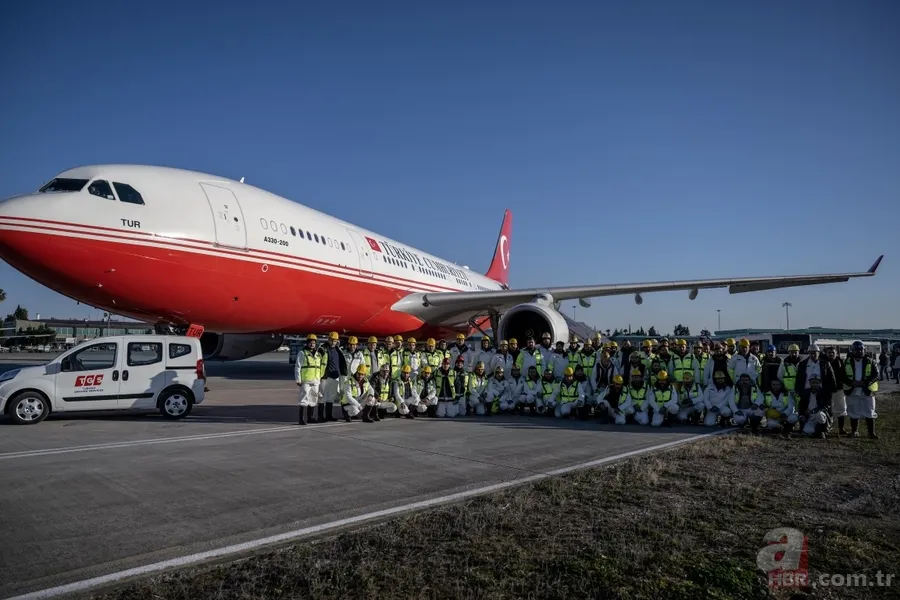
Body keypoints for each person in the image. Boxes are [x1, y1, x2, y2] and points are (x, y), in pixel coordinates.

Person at [843, 340, 879, 439]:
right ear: (852, 350)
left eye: (860, 349)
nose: (859, 352)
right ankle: (854, 431)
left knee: (869, 411)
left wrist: (866, 382)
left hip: (867, 390)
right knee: (853, 411)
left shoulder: (870, 361)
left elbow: (876, 375)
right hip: (852, 389)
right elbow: (842, 375)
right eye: (856, 350)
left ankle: (871, 433)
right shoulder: (847, 362)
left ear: (864, 350)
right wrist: (851, 383)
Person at [295, 334, 323, 425]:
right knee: (304, 399)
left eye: (313, 343)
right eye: (310, 343)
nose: (312, 344)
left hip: (315, 381)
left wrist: (319, 379)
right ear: (307, 343)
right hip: (306, 380)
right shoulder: (302, 353)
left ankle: (310, 417)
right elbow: (298, 367)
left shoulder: (318, 354)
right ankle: (301, 419)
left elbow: (319, 367)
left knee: (313, 399)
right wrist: (298, 379)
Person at [320, 332, 347, 422]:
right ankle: (320, 416)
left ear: (337, 341)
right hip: (325, 377)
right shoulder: (323, 349)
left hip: (335, 377)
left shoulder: (338, 350)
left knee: (331, 397)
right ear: (328, 340)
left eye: (334, 341)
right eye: (331, 340)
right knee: (322, 397)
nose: (332, 342)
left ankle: (329, 416)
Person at [797, 374, 831, 438]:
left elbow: (827, 406)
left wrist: (813, 411)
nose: (814, 384)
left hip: (819, 414)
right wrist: (801, 416)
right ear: (809, 383)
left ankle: (822, 431)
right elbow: (801, 406)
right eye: (813, 382)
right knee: (807, 431)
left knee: (820, 415)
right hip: (809, 416)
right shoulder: (805, 392)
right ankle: (815, 432)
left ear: (820, 383)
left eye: (816, 382)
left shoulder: (824, 392)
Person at [824, 346, 847, 435]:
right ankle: (827, 428)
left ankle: (841, 429)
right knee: (827, 409)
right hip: (826, 390)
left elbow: (845, 376)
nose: (831, 354)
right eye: (829, 352)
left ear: (836, 353)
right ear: (826, 353)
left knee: (841, 409)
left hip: (839, 389)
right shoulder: (822, 363)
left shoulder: (841, 362)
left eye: (833, 352)